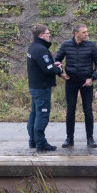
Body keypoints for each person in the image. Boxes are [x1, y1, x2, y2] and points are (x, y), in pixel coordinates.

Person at [55, 23, 97, 149]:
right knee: (70, 110)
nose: (87, 34)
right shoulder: (66, 45)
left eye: (87, 31)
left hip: (86, 82)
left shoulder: (91, 45)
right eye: (84, 32)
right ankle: (69, 138)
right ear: (76, 34)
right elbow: (56, 60)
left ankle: (90, 138)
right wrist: (61, 74)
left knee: (88, 110)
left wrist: (92, 78)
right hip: (71, 81)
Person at [25, 24, 63, 152]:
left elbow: (43, 65)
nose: (49, 35)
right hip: (42, 88)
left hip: (35, 86)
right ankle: (41, 143)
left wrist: (52, 64)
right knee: (42, 115)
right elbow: (48, 70)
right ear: (41, 35)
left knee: (34, 114)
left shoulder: (33, 47)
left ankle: (33, 140)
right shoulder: (41, 49)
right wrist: (58, 69)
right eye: (48, 33)